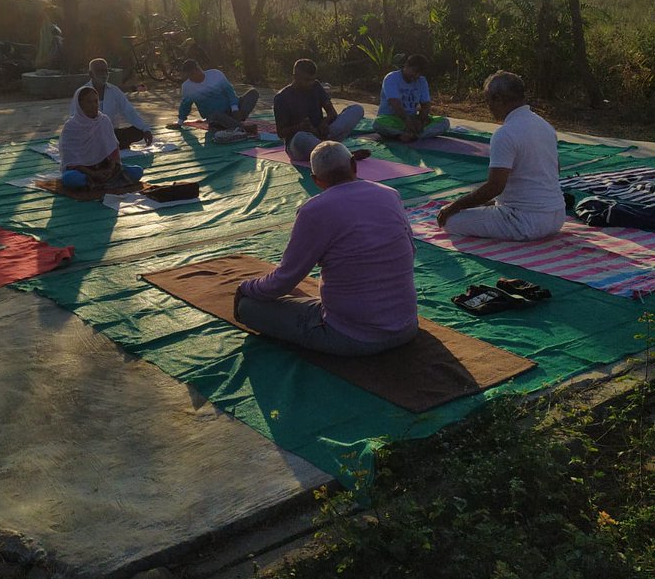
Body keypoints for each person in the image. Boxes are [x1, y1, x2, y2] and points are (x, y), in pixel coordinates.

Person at [234, 141, 419, 355]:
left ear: (316, 180)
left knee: (248, 307)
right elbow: (410, 250)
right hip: (406, 326)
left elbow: (284, 280)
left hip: (351, 336)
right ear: (353, 165)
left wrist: (246, 287)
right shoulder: (389, 194)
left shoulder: (315, 210)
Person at [436, 71, 565, 240]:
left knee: (451, 221)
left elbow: (495, 187)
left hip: (525, 222)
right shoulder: (545, 125)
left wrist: (453, 207)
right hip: (556, 217)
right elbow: (555, 170)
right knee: (477, 208)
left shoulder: (505, 133)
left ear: (498, 99)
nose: (488, 107)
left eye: (488, 100)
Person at [273, 59, 365, 162]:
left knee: (357, 109)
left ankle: (333, 152)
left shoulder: (316, 86)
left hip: (324, 135)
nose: (310, 83)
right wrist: (300, 127)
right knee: (301, 137)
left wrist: (324, 123)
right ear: (295, 77)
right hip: (300, 144)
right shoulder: (281, 97)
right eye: (306, 80)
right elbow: (281, 133)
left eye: (312, 79)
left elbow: (332, 113)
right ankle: (342, 155)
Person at [59, 87, 144, 190]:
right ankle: (94, 181)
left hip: (105, 167)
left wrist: (110, 168)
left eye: (96, 101)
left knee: (137, 171)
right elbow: (71, 161)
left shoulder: (103, 120)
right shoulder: (71, 126)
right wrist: (93, 173)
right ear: (80, 104)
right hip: (83, 170)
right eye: (89, 102)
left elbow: (113, 150)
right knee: (71, 178)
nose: (94, 105)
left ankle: (96, 183)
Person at [70, 58, 153, 149]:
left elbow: (129, 112)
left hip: (112, 133)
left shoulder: (114, 91)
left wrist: (146, 129)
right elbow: (75, 119)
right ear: (91, 74)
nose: (104, 74)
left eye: (106, 71)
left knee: (138, 131)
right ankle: (111, 145)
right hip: (91, 136)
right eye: (100, 71)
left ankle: (112, 145)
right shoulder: (82, 93)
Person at [375, 54, 450, 142]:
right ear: (406, 66)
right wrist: (407, 121)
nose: (416, 75)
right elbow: (395, 103)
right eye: (414, 71)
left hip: (413, 119)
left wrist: (420, 120)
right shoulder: (391, 78)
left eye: (419, 73)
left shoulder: (422, 81)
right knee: (378, 123)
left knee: (444, 122)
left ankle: (410, 135)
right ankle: (410, 133)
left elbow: (426, 105)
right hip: (393, 119)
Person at [168, 61, 259, 132]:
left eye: (195, 71)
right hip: (215, 117)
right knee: (215, 115)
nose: (194, 75)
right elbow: (185, 106)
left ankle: (236, 121)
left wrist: (235, 109)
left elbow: (230, 92)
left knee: (253, 93)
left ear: (198, 68)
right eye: (191, 74)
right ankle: (240, 126)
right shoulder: (187, 87)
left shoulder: (216, 74)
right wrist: (180, 122)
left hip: (232, 109)